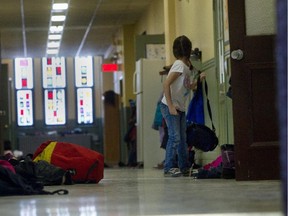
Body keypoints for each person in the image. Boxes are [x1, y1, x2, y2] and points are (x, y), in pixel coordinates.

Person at [160, 35, 205, 177]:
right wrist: (171, 106)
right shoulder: (179, 65)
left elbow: (188, 86)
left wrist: (198, 81)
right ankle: (168, 167)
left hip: (179, 107)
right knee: (175, 137)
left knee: (182, 139)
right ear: (189, 49)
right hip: (170, 106)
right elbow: (166, 83)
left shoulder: (186, 66)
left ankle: (184, 167)